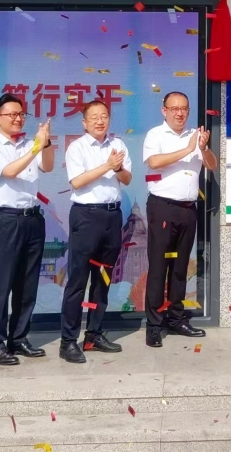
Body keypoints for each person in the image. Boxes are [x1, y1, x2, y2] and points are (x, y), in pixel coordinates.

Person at [0, 93, 54, 366]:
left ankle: (19, 338)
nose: (18, 118)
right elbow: (10, 172)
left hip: (32, 219)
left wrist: (46, 143)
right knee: (0, 285)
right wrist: (35, 147)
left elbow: (47, 166)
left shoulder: (28, 144)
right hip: (6, 220)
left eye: (21, 114)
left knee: (27, 284)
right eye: (12, 114)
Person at [59, 100, 132, 363]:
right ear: (84, 123)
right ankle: (68, 341)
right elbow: (77, 181)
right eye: (94, 117)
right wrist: (107, 166)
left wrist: (118, 167)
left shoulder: (118, 145)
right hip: (86, 216)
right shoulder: (76, 147)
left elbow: (127, 179)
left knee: (103, 278)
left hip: (112, 216)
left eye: (104, 116)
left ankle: (94, 334)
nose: (100, 121)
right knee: (78, 280)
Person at [143, 92, 217, 348]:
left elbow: (212, 165)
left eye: (184, 108)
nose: (180, 113)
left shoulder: (195, 136)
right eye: (174, 108)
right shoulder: (155, 135)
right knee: (159, 267)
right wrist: (187, 149)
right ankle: (154, 325)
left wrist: (203, 148)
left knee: (181, 267)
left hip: (188, 209)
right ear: (164, 111)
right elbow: (154, 162)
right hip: (162, 207)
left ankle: (176, 318)